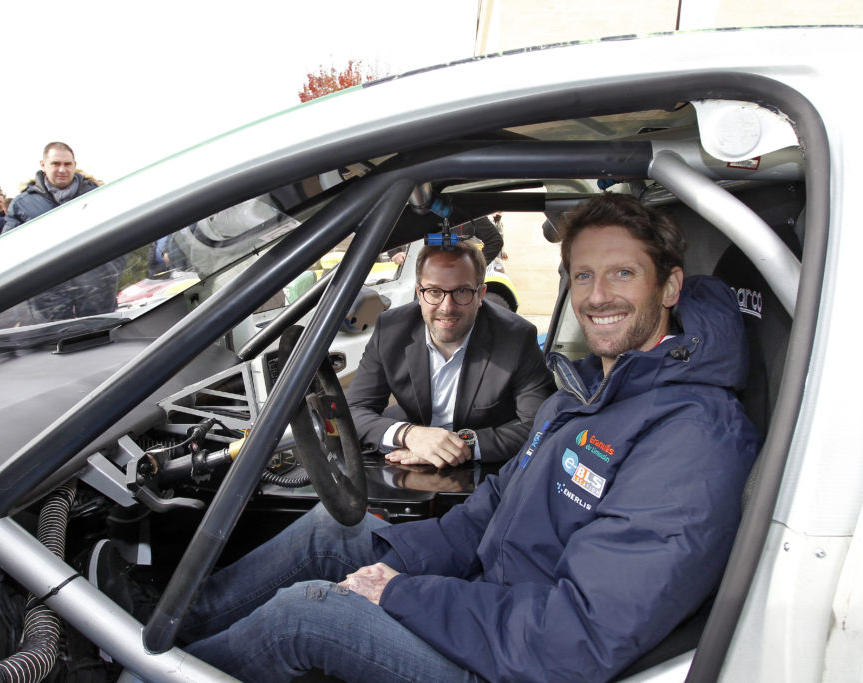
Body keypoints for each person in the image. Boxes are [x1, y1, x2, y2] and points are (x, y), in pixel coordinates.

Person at [173, 193, 761, 682]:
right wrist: (399, 565)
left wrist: (402, 595)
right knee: (332, 532)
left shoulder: (693, 436)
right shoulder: (586, 394)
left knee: (301, 616)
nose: (597, 295)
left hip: (517, 661)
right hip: (492, 599)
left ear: (670, 287)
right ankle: (172, 626)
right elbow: (492, 510)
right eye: (583, 275)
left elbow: (576, 636)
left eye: (622, 274)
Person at [347, 241, 554, 467]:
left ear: (481, 294)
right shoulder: (390, 329)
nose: (447, 307)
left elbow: (542, 426)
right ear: (419, 292)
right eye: (434, 292)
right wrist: (410, 435)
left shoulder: (516, 337)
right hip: (408, 454)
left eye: (462, 291)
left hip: (484, 464)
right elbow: (354, 410)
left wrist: (463, 445)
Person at [3, 142, 123, 320]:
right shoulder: (23, 204)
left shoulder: (97, 196)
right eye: (56, 164)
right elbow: (10, 249)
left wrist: (110, 274)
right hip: (49, 299)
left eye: (67, 164)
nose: (62, 169)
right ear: (43, 165)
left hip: (97, 294)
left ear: (75, 165)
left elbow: (119, 238)